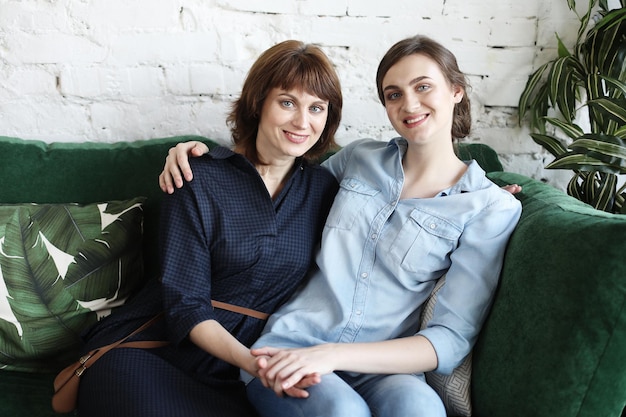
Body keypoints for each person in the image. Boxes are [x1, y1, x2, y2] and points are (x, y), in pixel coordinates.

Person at [159, 35, 522, 417]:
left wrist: (332, 355)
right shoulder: (358, 160)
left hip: (383, 367)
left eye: (423, 87)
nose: (409, 104)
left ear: (456, 91)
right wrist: (201, 156)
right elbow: (276, 182)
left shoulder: (488, 208)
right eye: (393, 94)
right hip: (293, 347)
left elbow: (448, 340)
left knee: (421, 410)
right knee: (341, 411)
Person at [75, 39, 343, 417]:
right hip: (153, 350)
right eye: (287, 102)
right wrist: (256, 365)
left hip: (237, 372)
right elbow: (186, 306)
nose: (303, 122)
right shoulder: (195, 176)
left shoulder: (325, 189)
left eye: (316, 108)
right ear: (258, 103)